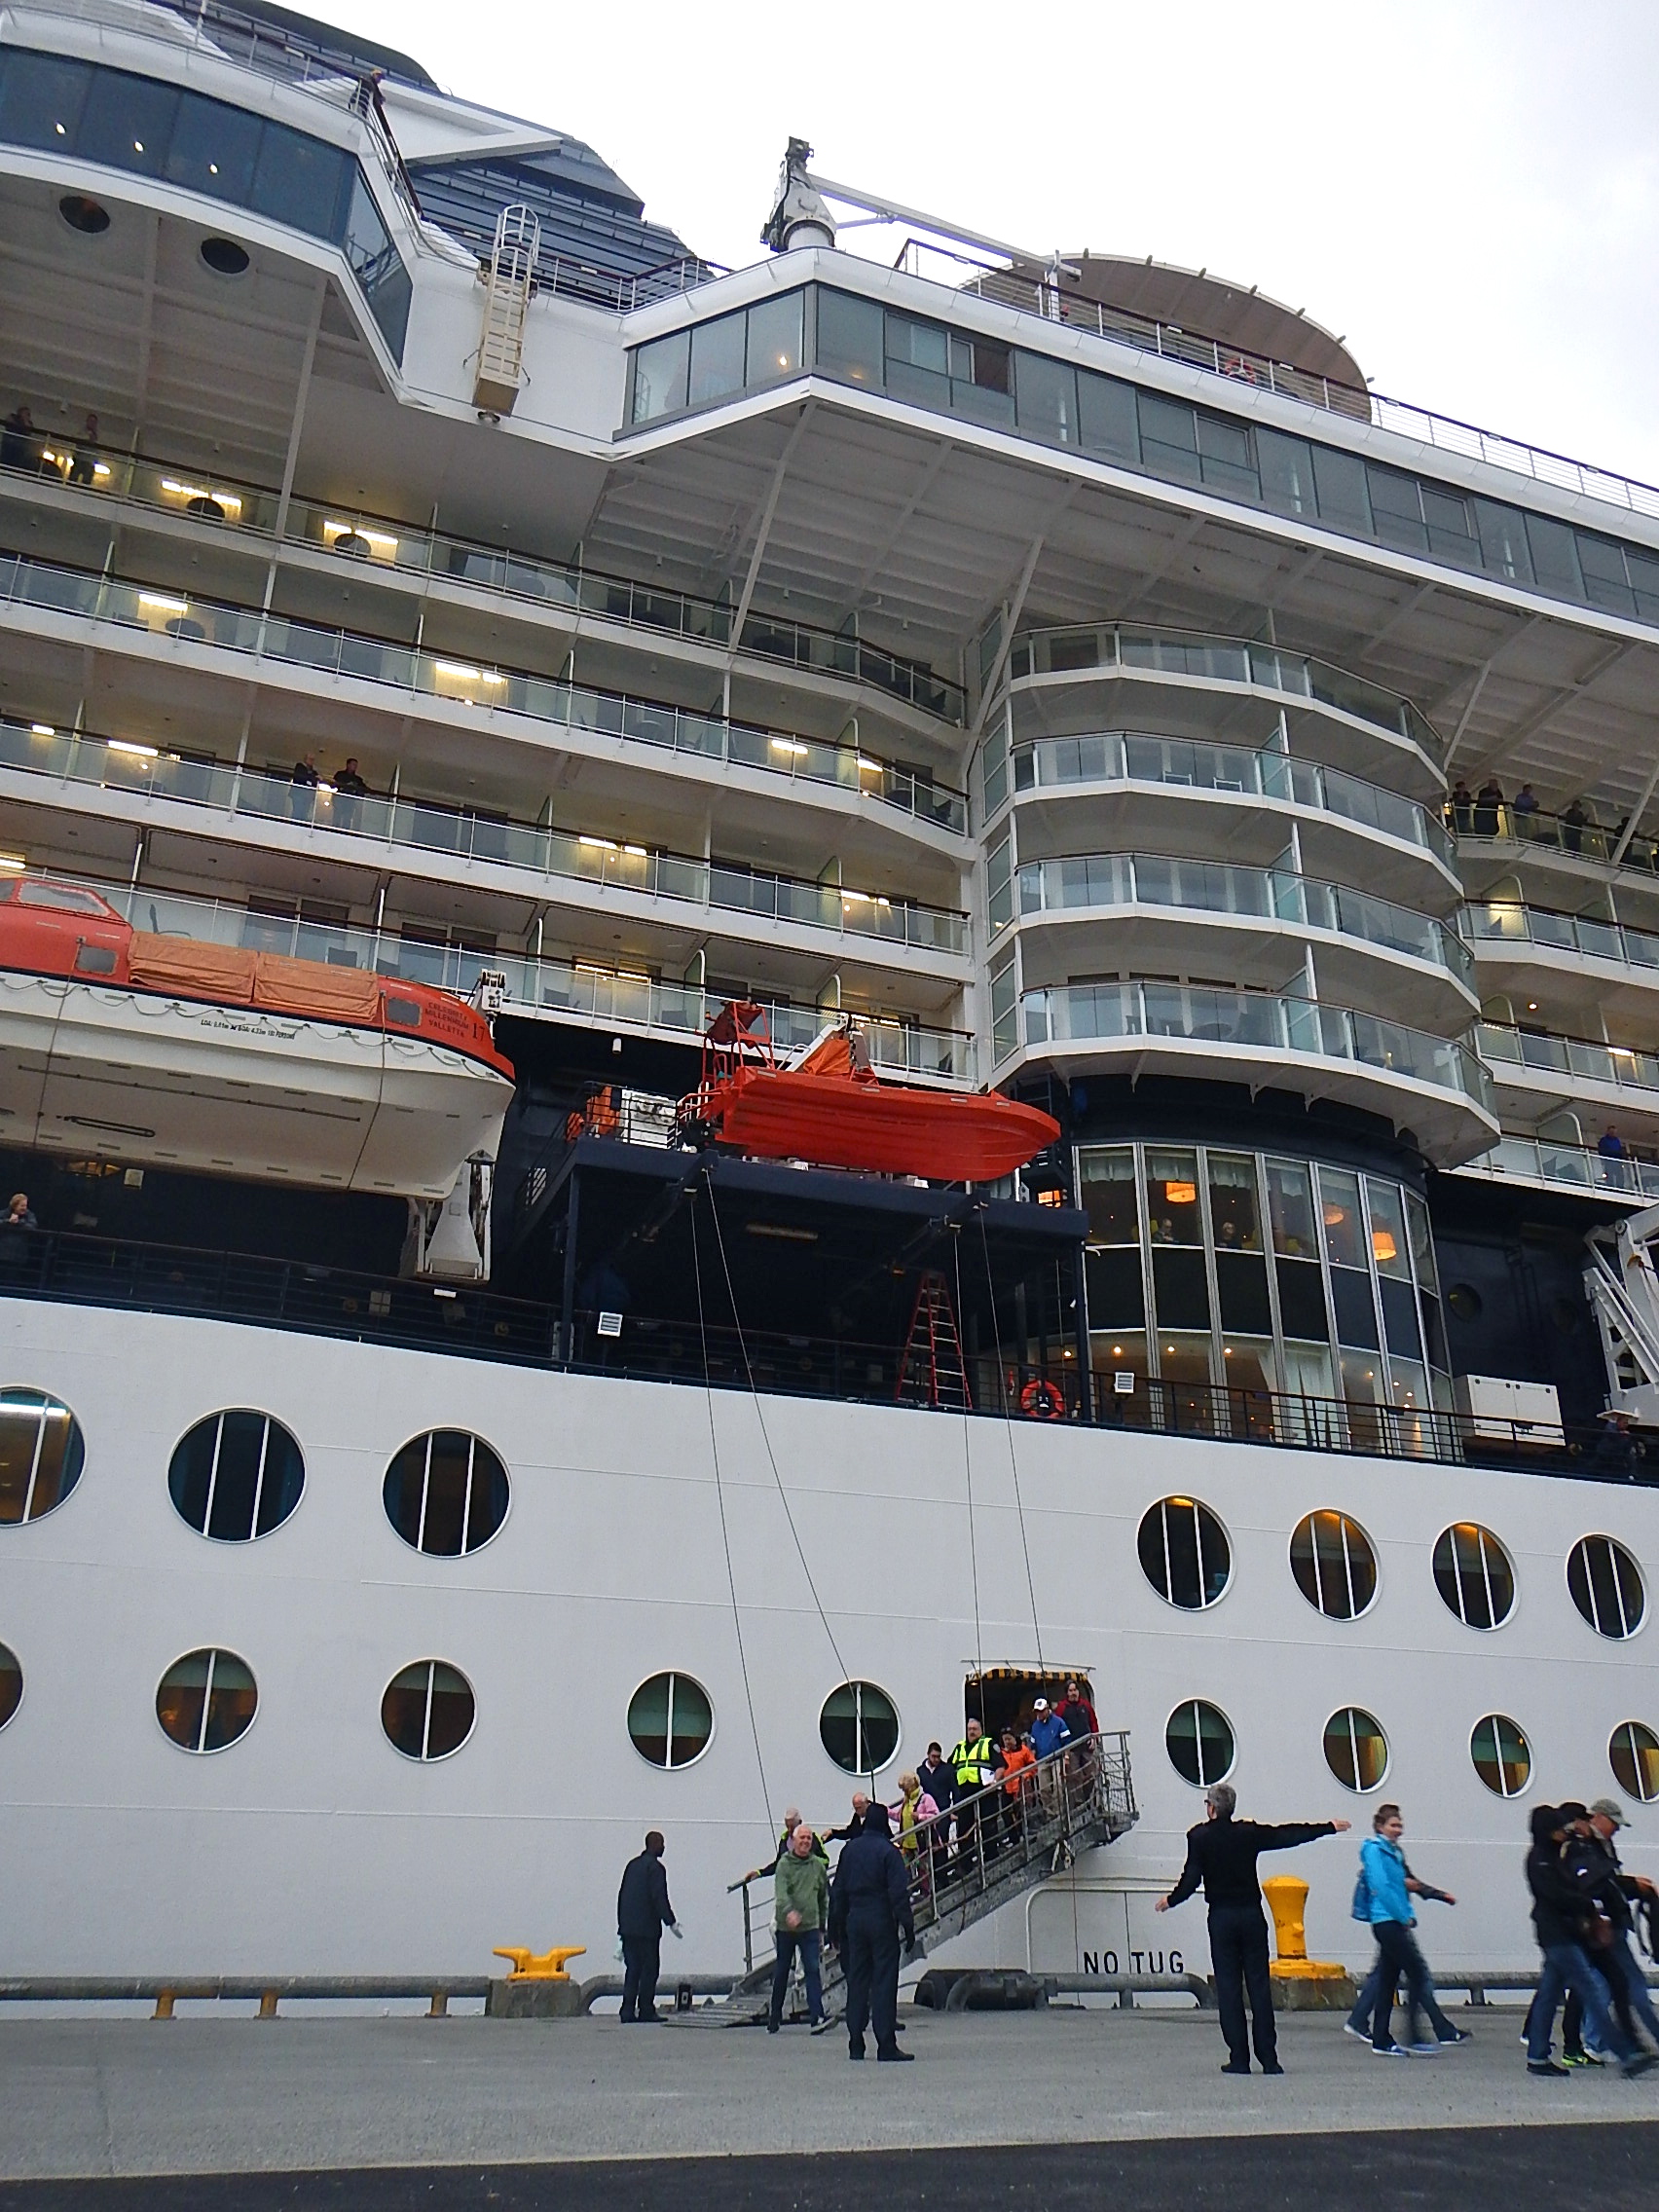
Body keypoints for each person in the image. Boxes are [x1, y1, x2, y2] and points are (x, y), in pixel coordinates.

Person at [1156, 1780, 1350, 2076]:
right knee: (1259, 1987)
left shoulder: (1199, 1837)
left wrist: (1171, 1900)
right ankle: (1269, 2059)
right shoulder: (1247, 1833)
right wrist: (1327, 1827)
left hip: (1222, 1918)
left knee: (1229, 1988)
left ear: (1211, 1808)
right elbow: (1286, 1835)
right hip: (1251, 1916)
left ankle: (1239, 2058)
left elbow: (1191, 1878)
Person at [1524, 1802, 1652, 2079]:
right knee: (1591, 1991)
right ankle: (1626, 2053)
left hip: (1569, 1933)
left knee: (1550, 1994)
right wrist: (1588, 1908)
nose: (1565, 1831)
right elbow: (1557, 1895)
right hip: (1559, 1935)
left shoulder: (1557, 1853)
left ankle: (1537, 2054)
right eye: (1560, 1828)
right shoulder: (1541, 1859)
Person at [1356, 1803, 1468, 2055]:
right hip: (1387, 1922)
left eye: (1400, 1825)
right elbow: (1381, 1887)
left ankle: (1382, 2039)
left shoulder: (1394, 1852)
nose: (1398, 1829)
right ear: (1380, 1826)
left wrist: (1436, 1895)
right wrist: (1403, 1916)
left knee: (1388, 1980)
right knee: (1417, 1974)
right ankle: (1413, 2035)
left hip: (1392, 1921)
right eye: (1393, 1825)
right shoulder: (1374, 1850)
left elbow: (1406, 1884)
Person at [1567, 1799, 1659, 2056]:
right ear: (1598, 1818)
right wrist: (1634, 1886)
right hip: (1604, 1925)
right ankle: (1599, 2043)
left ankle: (1595, 2042)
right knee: (1625, 1983)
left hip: (1607, 1924)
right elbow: (1601, 1884)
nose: (1616, 1829)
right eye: (1614, 1824)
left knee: (1603, 1984)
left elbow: (1608, 1883)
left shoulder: (1599, 1844)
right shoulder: (1588, 1846)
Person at [827, 1801, 914, 2061]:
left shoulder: (849, 1850)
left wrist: (834, 1928)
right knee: (884, 1981)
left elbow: (838, 1891)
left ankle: (855, 2042)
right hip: (881, 1919)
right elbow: (898, 1893)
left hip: (854, 1920)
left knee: (857, 1980)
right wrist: (908, 1926)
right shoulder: (889, 1852)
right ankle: (886, 2044)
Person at [769, 1823, 831, 2035]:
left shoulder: (817, 1866)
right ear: (793, 1841)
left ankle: (817, 2016)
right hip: (786, 1929)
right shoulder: (784, 1865)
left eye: (808, 1838)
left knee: (813, 1970)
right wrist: (789, 1912)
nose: (805, 1841)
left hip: (810, 1928)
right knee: (782, 1971)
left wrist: (822, 1926)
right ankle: (774, 2016)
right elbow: (781, 1894)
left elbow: (823, 1897)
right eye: (801, 1838)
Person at [616, 1828, 681, 2023]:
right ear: (656, 1845)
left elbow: (623, 1896)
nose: (664, 1847)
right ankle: (646, 2009)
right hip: (647, 1931)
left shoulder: (632, 1865)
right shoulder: (656, 1869)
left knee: (632, 1969)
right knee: (649, 1970)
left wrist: (622, 1926)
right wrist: (671, 1921)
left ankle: (627, 2010)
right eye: (662, 1844)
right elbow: (659, 1897)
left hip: (629, 1929)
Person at [946, 1716, 998, 1863]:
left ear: (981, 1731)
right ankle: (966, 1862)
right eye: (969, 1729)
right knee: (964, 1827)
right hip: (964, 1793)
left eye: (975, 1729)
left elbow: (1000, 1766)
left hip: (984, 1791)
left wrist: (995, 1781)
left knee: (988, 1824)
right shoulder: (960, 1747)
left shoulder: (988, 1744)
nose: (971, 1732)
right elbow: (949, 1766)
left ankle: (991, 1856)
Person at [1028, 1696, 1071, 1815]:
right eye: (1037, 1711)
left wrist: (1066, 1757)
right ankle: (1049, 1812)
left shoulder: (1058, 1722)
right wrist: (1033, 1762)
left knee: (1058, 1785)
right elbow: (1033, 1746)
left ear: (1047, 1709)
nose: (1039, 1714)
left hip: (1058, 1758)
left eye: (1041, 1711)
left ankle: (1059, 1811)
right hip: (1042, 1760)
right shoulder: (1035, 1726)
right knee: (1044, 1789)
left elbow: (1067, 1741)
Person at [997, 1728, 1036, 1848]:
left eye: (1009, 1739)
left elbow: (1033, 1765)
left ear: (1014, 1738)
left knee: (1021, 1813)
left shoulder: (1023, 1750)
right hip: (1006, 1788)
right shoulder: (1000, 1753)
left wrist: (1026, 1775)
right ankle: (1013, 1838)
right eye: (1005, 1740)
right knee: (1006, 1815)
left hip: (1020, 1787)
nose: (1007, 1742)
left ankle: (1024, 1834)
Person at [68, 413, 99, 487]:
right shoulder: (80, 431)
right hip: (78, 458)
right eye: (90, 421)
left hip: (89, 461)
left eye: (93, 422)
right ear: (87, 421)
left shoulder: (98, 434)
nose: (92, 423)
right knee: (73, 479)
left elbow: (97, 443)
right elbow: (75, 437)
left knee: (86, 483)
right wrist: (87, 438)